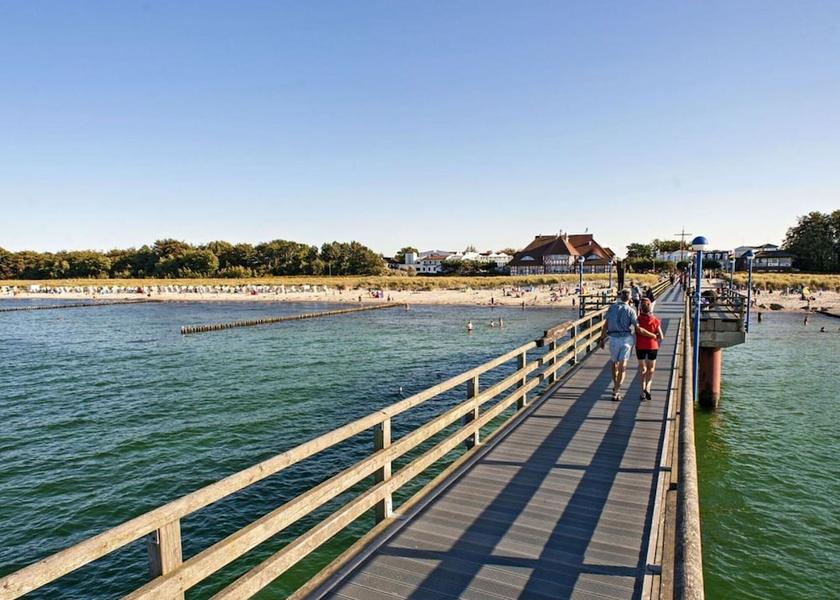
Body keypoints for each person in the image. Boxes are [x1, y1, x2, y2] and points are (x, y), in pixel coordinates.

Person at [599, 289, 657, 401]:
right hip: (625, 339)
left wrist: (602, 339)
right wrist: (652, 335)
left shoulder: (612, 308)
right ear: (630, 298)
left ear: (620, 297)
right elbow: (638, 328)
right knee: (623, 366)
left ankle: (615, 386)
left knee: (614, 363)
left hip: (613, 339)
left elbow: (605, 325)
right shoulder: (631, 310)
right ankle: (617, 390)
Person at [636, 298, 664, 401]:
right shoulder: (655, 320)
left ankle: (642, 392)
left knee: (642, 369)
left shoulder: (638, 319)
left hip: (640, 346)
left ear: (641, 309)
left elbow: (637, 330)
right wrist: (654, 335)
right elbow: (661, 336)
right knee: (651, 369)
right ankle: (648, 387)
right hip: (652, 346)